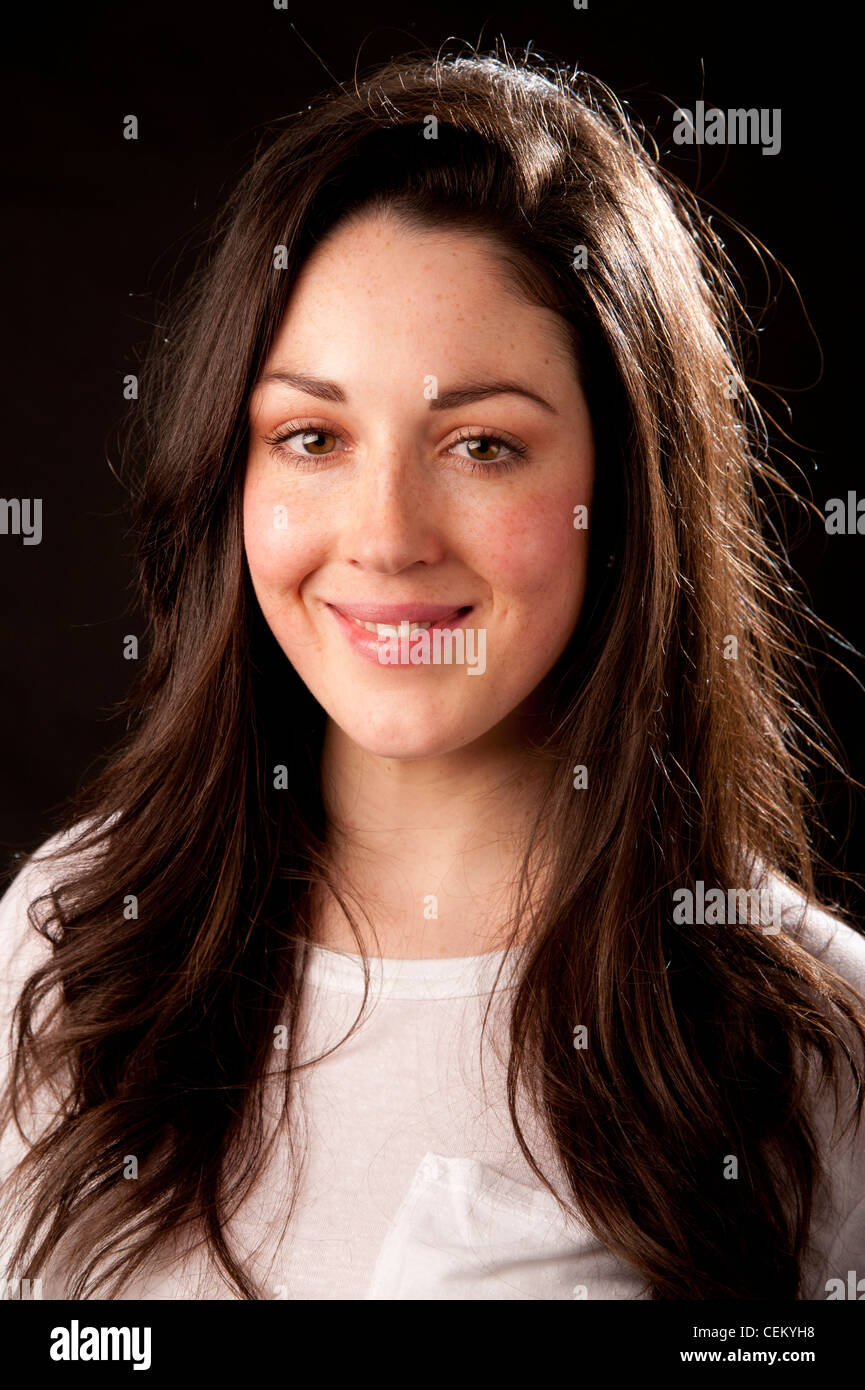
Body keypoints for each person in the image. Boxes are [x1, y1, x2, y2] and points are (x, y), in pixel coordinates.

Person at [1, 50, 864, 1302]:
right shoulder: (59, 953)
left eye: (482, 444)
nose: (389, 534)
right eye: (312, 436)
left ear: (624, 485)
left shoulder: (822, 1046)